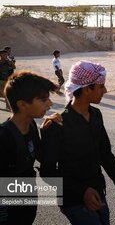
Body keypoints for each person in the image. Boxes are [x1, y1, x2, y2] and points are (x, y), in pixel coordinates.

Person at [40, 61, 115, 224]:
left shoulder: (96, 115)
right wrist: (82, 192)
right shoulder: (57, 124)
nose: (105, 91)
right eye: (101, 86)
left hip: (97, 191)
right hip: (73, 199)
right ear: (87, 89)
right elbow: (47, 172)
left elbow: (105, 154)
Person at [0, 71, 57, 225]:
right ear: (23, 104)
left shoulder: (31, 125)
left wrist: (47, 133)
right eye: (43, 99)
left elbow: (40, 155)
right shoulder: (4, 137)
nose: (50, 104)